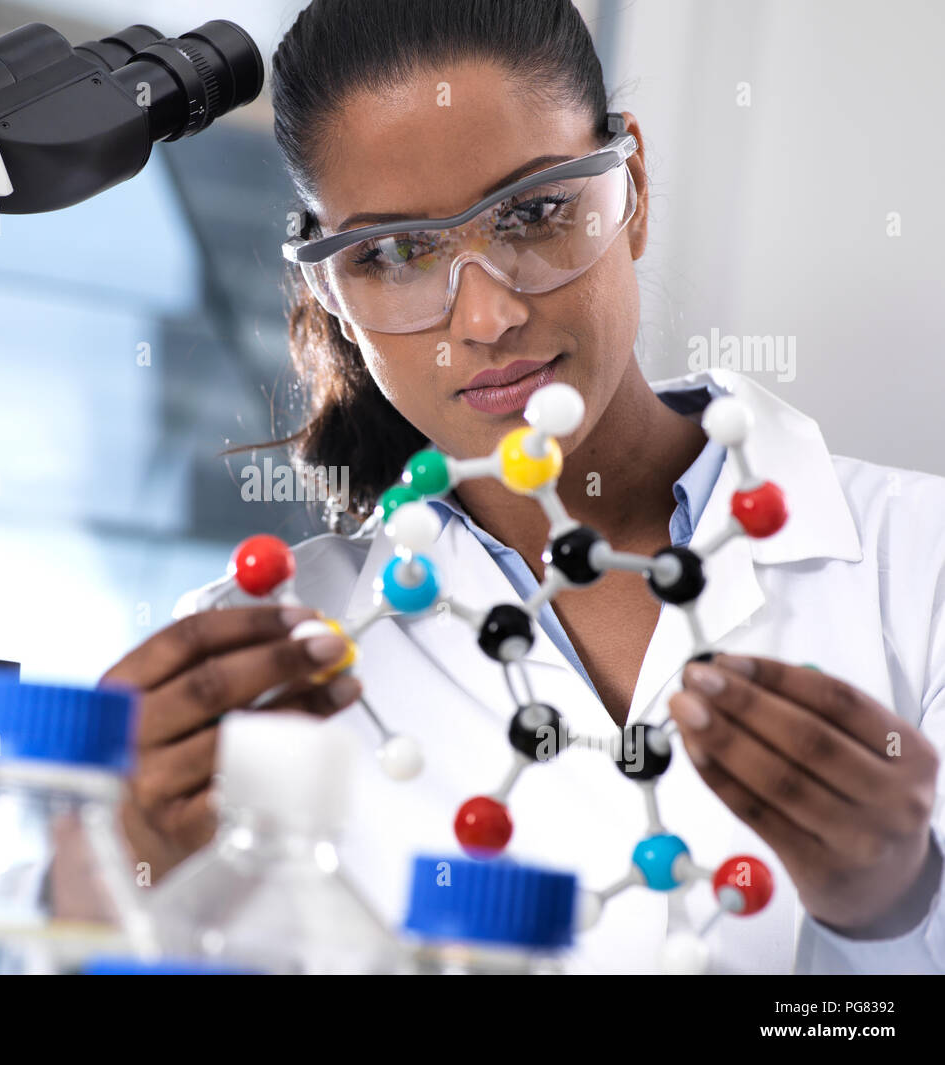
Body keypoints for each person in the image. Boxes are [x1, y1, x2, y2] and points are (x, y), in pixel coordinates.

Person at [103, 0, 945, 973]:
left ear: (628, 184)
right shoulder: (268, 648)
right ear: (331, 289)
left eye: (534, 211)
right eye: (393, 252)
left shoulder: (919, 565)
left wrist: (898, 904)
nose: (490, 316)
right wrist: (130, 874)